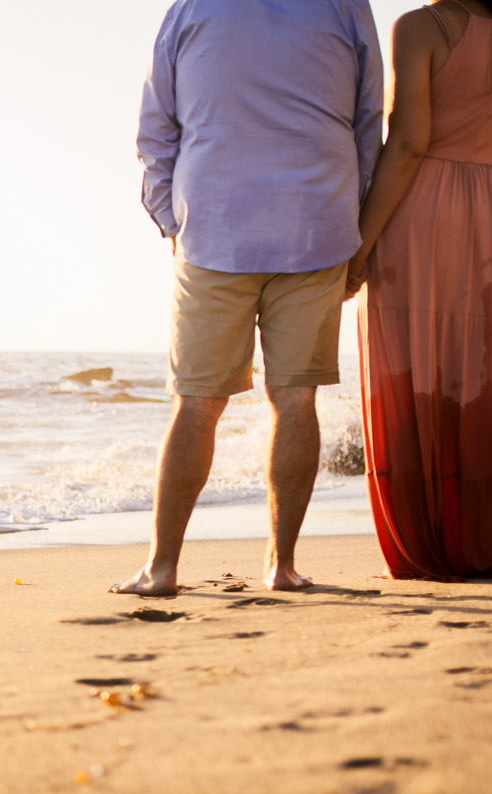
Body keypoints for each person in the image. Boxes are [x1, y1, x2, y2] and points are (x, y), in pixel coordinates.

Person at [116, 0, 384, 597]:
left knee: (196, 403)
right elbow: (369, 125)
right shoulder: (346, 7)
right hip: (316, 222)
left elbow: (156, 126)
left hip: (214, 226)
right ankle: (281, 567)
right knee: (294, 398)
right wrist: (353, 219)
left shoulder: (191, 7)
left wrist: (170, 219)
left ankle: (161, 569)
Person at [345, 0, 492, 579]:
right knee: (476, 369)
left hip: (422, 204)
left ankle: (427, 544)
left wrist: (359, 250)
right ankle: (485, 541)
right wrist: (486, 208)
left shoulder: (417, 27)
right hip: (491, 205)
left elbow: (409, 142)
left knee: (409, 365)